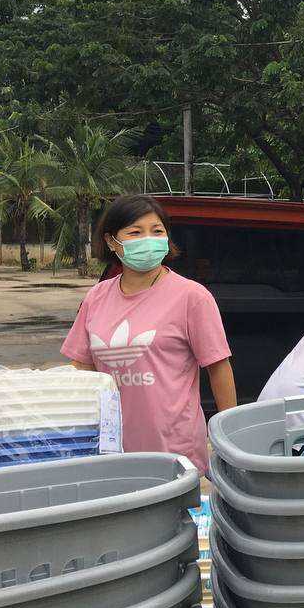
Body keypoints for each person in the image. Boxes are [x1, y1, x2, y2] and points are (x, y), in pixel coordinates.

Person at [62, 194, 236, 473]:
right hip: (111, 449)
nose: (149, 239)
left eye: (157, 231)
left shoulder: (191, 296)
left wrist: (229, 438)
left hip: (175, 452)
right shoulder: (96, 297)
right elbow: (81, 369)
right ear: (111, 241)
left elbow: (218, 368)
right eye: (135, 232)